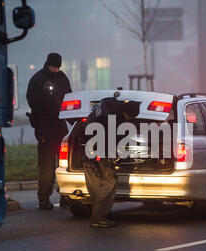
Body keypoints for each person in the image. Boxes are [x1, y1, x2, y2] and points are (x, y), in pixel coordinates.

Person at [69, 95, 141, 228]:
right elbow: (108, 140)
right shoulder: (113, 120)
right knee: (108, 184)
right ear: (128, 115)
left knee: (96, 187)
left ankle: (103, 213)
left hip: (87, 152)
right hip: (98, 155)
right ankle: (99, 218)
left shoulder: (107, 105)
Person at [26, 53, 72, 210]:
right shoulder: (38, 79)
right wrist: (45, 95)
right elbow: (33, 102)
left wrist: (74, 119)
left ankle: (66, 195)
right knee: (46, 164)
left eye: (58, 67)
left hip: (59, 125)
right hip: (44, 125)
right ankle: (44, 198)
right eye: (54, 67)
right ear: (48, 64)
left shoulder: (62, 78)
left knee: (65, 163)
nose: (56, 70)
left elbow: (69, 99)